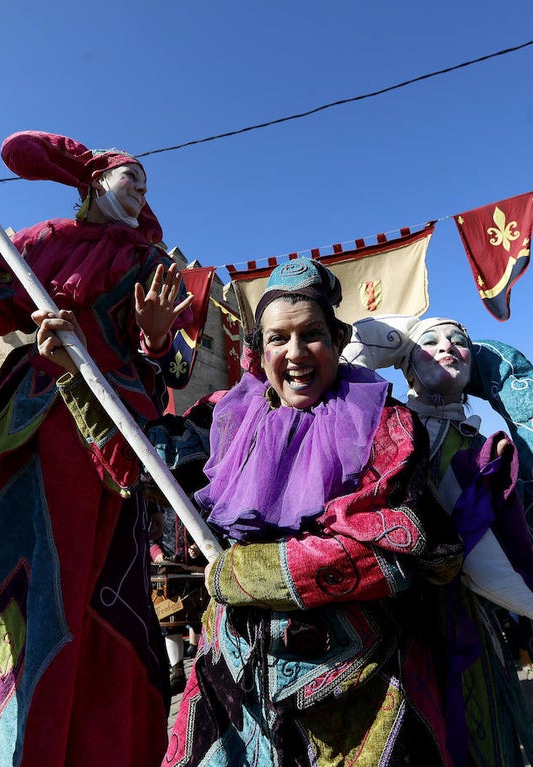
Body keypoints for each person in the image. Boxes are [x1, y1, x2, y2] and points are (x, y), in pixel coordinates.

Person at [0, 132, 195, 766]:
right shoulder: (41, 241)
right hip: (33, 428)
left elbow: (178, 366)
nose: (142, 193)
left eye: (146, 185)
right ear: (93, 184)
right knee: (4, 573)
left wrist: (152, 341)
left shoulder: (152, 264)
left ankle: (78, 740)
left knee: (91, 582)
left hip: (107, 444)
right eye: (131, 179)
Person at [162, 260, 465, 766]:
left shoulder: (384, 422)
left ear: (338, 339)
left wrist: (251, 573)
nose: (296, 353)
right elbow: (139, 457)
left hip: (354, 688)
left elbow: (409, 548)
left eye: (312, 335)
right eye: (279, 338)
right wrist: (94, 364)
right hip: (235, 685)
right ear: (259, 352)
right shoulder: (224, 417)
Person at [343, 313, 533, 764]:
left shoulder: (484, 443)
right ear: (405, 365)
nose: (447, 348)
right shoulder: (381, 426)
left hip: (468, 608)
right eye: (430, 342)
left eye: (459, 341)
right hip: (397, 607)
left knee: (482, 724)